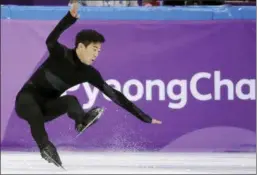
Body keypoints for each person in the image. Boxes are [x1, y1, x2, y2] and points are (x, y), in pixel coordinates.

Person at [15, 0, 162, 168]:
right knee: (32, 107)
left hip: (47, 108)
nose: (96, 54)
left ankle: (81, 121)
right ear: (80, 47)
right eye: (94, 49)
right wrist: (69, 18)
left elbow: (114, 95)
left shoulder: (89, 73)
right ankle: (45, 147)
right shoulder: (60, 53)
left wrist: (144, 117)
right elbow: (50, 40)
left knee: (71, 101)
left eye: (99, 51)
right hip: (26, 100)